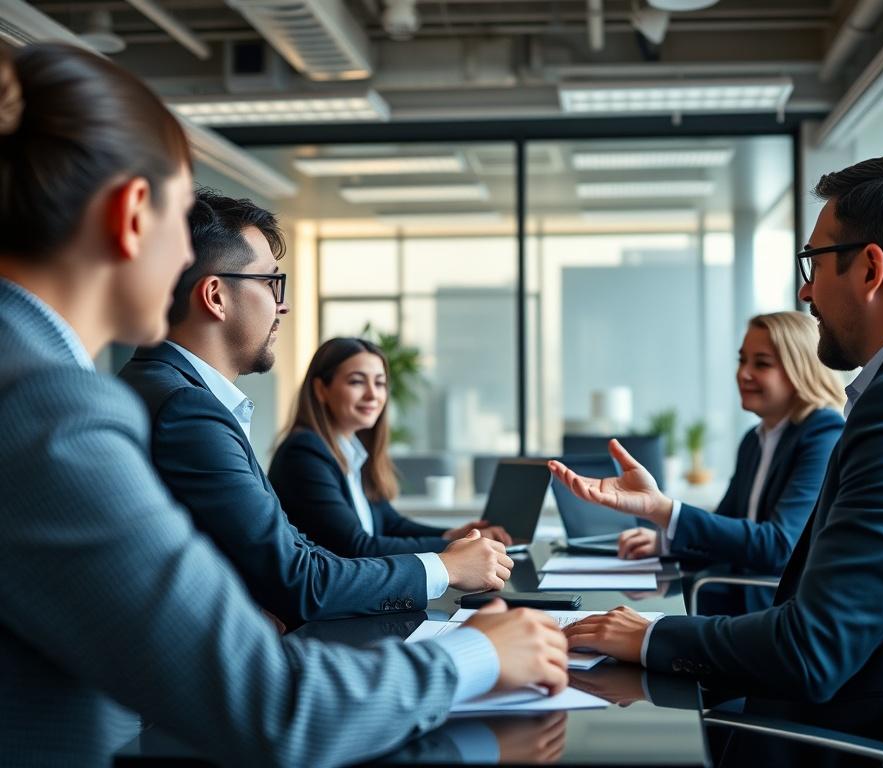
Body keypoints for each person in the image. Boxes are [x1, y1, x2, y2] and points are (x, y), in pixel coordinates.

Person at [0, 42, 567, 766]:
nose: (183, 260)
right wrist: (475, 656)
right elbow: (274, 708)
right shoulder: (47, 407)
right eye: (181, 219)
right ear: (133, 213)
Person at [550, 153, 883, 760]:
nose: (806, 289)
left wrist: (648, 636)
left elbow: (812, 651)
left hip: (835, 740)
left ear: (870, 268)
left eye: (814, 261)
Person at [120, 190, 511, 630]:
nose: (281, 304)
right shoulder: (187, 410)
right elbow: (299, 580)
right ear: (215, 296)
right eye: (270, 283)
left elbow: (290, 553)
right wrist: (446, 569)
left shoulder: (164, 389)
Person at [614, 311, 844, 614]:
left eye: (761, 363)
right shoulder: (755, 440)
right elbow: (728, 530)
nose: (744, 373)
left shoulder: (823, 432)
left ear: (800, 370)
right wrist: (664, 546)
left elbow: (779, 547)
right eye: (742, 360)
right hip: (732, 597)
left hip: (772, 610)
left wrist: (665, 511)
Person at [268, 337, 512, 559]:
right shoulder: (304, 454)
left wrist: (454, 535)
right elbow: (356, 547)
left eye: (380, 383)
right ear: (321, 389)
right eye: (357, 382)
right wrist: (454, 549)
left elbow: (390, 524)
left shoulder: (351, 452)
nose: (373, 394)